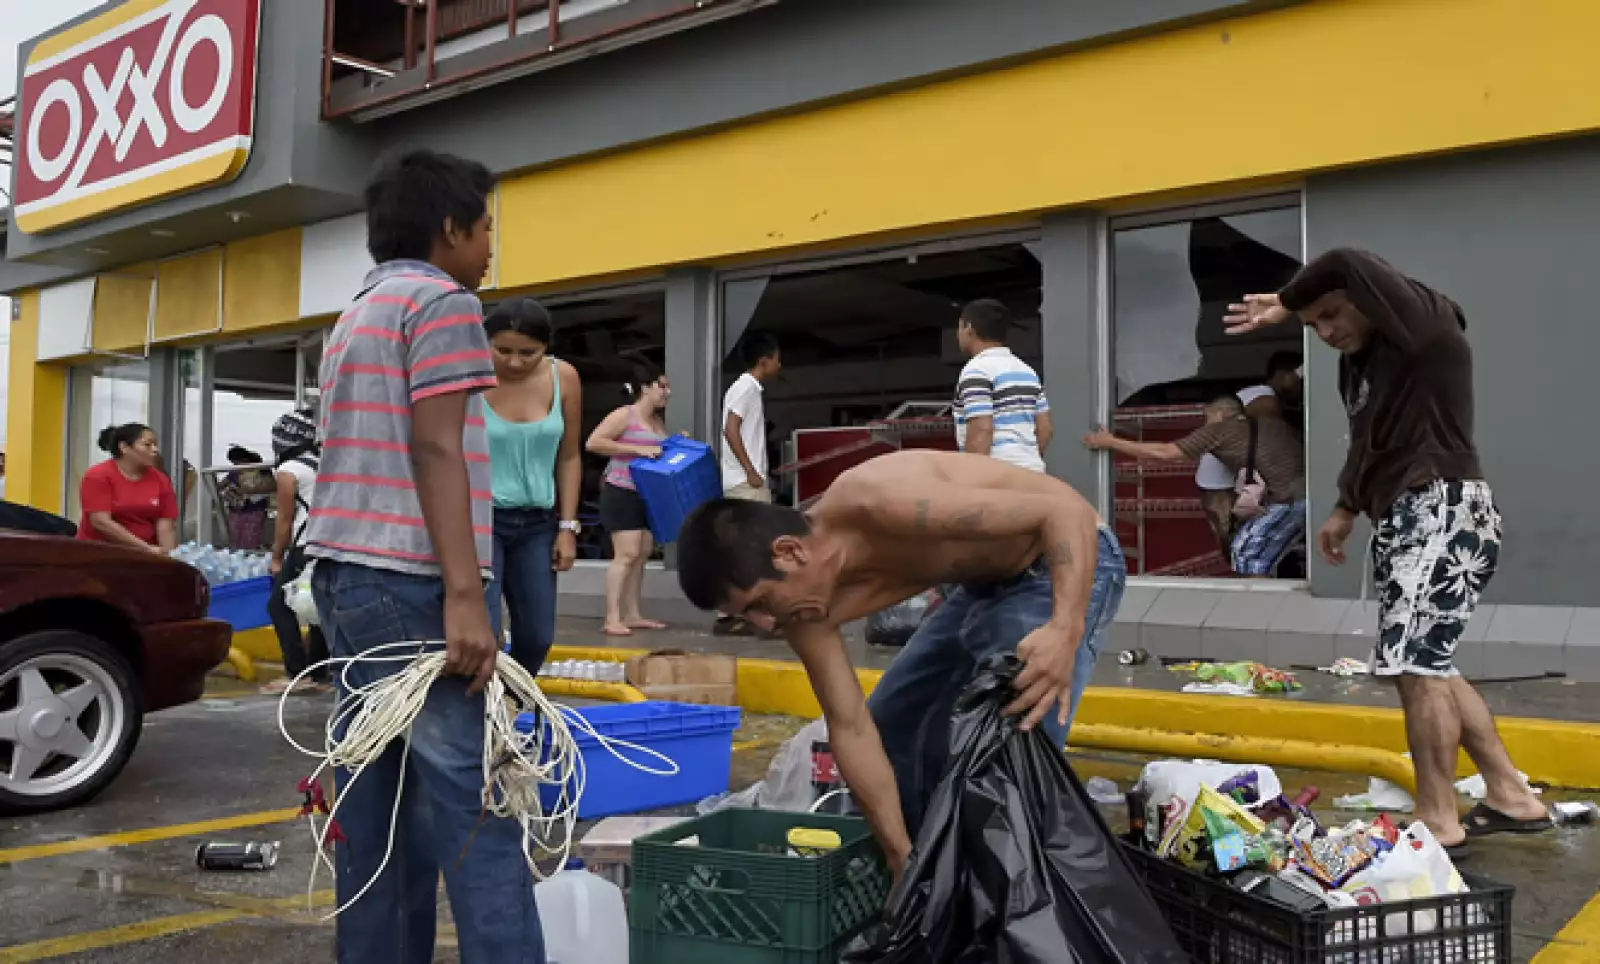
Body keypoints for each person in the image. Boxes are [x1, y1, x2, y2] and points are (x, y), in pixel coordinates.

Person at [1225, 247, 1548, 852]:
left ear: (1368, 298)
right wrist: (1346, 508)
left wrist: (1287, 301)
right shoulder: (1364, 366)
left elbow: (1347, 258)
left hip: (1442, 505)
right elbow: (1368, 441)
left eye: (1330, 314)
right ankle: (1511, 793)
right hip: (1404, 511)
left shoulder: (1424, 329)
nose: (1324, 332)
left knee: (1414, 666)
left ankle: (1437, 815)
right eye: (1312, 326)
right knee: (1429, 660)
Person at [303, 149, 543, 963]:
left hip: (345, 577)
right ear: (450, 228)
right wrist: (467, 595)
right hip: (411, 582)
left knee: (374, 810)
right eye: (485, 229)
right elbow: (438, 450)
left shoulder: (358, 312)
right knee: (476, 809)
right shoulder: (442, 302)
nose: (489, 250)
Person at [675, 450, 1126, 874]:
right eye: (746, 616)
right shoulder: (803, 613)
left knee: (1008, 728)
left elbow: (1065, 514)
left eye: (761, 603)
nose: (765, 624)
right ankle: (931, 873)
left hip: (1063, 555)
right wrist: (899, 857)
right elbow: (850, 726)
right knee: (893, 722)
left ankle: (1020, 893)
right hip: (978, 583)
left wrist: (1065, 630)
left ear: (790, 551)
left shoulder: (882, 502)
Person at [1083, 395, 1306, 577]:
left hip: (1289, 501)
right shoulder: (1271, 425)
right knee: (1261, 553)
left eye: (1206, 417)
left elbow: (1164, 453)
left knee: (1246, 554)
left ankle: (1259, 614)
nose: (1204, 424)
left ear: (1220, 413)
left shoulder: (1220, 429)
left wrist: (1110, 442)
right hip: (1309, 496)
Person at [482, 296, 584, 672]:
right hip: (480, 521)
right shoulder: (468, 377)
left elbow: (570, 456)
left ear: (546, 347)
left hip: (539, 524)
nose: (513, 362)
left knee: (538, 636)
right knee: (484, 635)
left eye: (529, 353)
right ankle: (477, 720)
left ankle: (509, 708)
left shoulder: (565, 378)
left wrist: (567, 527)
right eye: (502, 350)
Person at [585, 362, 672, 636]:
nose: (667, 392)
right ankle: (612, 617)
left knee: (643, 551)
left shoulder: (658, 422)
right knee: (626, 553)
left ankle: (632, 613)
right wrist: (635, 449)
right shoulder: (625, 415)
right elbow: (594, 442)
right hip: (620, 489)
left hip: (644, 493)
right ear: (645, 388)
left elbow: (657, 453)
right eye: (662, 386)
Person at [716, 332, 783, 635]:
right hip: (746, 482)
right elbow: (731, 429)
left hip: (744, 480)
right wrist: (751, 471)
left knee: (744, 547)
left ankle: (731, 613)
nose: (779, 365)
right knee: (755, 548)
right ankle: (749, 614)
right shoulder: (746, 387)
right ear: (764, 360)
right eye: (777, 359)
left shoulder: (747, 388)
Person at [263, 410, 331, 696]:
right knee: (317, 607)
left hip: (304, 546)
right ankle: (319, 672)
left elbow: (284, 520)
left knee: (278, 605)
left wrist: (277, 556)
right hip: (327, 544)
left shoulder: (288, 470)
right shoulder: (320, 463)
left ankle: (296, 671)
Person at [953, 298, 1053, 472]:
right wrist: (1025, 460)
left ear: (969, 328)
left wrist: (972, 477)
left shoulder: (976, 370)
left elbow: (982, 429)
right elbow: (1045, 428)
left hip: (996, 474)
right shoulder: (1027, 371)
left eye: (959, 327)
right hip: (1032, 472)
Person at [77, 423, 178, 553]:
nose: (155, 450)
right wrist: (145, 548)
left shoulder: (160, 480)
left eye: (155, 445)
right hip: (99, 554)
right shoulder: (97, 476)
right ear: (124, 447)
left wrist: (169, 557)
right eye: (147, 445)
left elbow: (166, 525)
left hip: (145, 557)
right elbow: (100, 522)